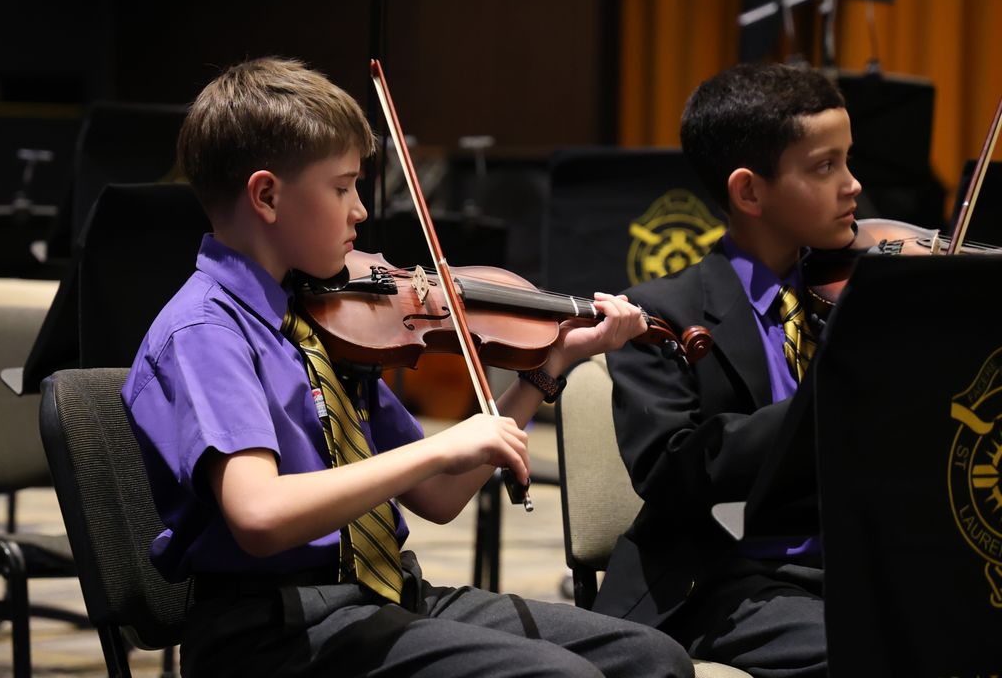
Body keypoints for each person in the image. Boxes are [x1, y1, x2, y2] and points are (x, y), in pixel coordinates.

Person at [123, 57, 694, 678]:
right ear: (266, 196)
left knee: (651, 658)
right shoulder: (206, 332)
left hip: (385, 597)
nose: (360, 211)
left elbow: (440, 497)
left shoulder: (320, 319)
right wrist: (438, 448)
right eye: (342, 188)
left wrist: (549, 366)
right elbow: (259, 515)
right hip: (274, 634)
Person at [594, 62, 861, 677]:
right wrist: (829, 396)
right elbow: (670, 471)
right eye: (826, 166)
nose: (853, 185)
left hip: (862, 563)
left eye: (849, 160)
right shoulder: (661, 314)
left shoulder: (861, 291)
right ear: (749, 192)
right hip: (729, 577)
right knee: (868, 652)